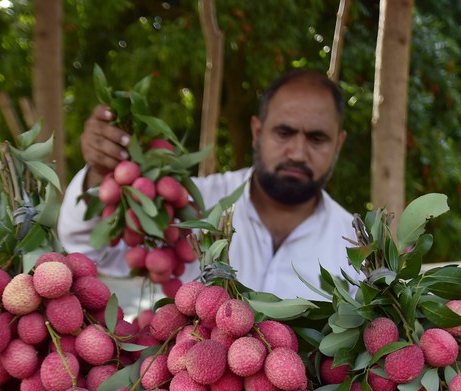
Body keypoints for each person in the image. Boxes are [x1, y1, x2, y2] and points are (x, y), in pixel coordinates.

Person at [57, 68, 357, 302]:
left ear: (339, 144)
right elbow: (88, 250)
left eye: (317, 138)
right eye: (284, 133)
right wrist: (100, 176)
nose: (298, 153)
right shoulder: (188, 205)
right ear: (257, 132)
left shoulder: (356, 251)